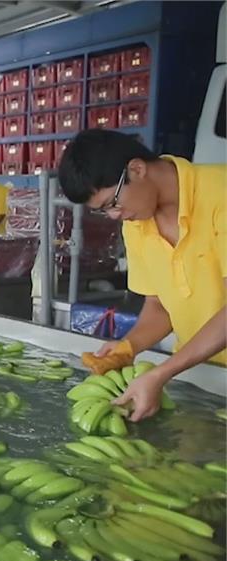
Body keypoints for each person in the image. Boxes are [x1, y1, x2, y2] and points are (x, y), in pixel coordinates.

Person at [59, 129, 226, 422]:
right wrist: (128, 346)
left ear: (136, 169)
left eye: (111, 203)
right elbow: (160, 306)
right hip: (203, 377)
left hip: (188, 369)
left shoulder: (220, 192)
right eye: (103, 211)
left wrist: (163, 372)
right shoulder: (137, 223)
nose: (114, 215)